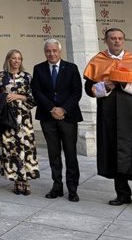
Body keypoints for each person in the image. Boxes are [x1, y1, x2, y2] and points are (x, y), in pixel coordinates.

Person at [84, 28, 132, 212]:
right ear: (106, 40)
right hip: (110, 116)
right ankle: (122, 194)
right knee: (115, 153)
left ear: (124, 40)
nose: (117, 41)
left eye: (120, 38)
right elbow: (89, 89)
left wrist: (128, 84)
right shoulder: (98, 61)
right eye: (113, 38)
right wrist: (105, 85)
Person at [31, 38, 82, 202]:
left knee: (71, 154)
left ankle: (72, 189)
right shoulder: (38, 69)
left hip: (68, 117)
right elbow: (37, 92)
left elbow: (77, 92)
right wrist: (52, 108)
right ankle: (57, 186)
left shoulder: (71, 68)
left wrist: (63, 109)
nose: (51, 54)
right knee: (54, 155)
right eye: (48, 51)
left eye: (54, 51)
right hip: (48, 117)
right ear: (45, 52)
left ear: (60, 52)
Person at [0, 49, 39, 195]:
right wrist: (3, 99)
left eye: (19, 58)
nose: (16, 61)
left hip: (23, 118)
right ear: (8, 60)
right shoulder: (1, 76)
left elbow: (33, 98)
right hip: (7, 118)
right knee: (10, 149)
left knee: (25, 148)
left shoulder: (27, 77)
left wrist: (17, 96)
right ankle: (16, 180)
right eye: (13, 58)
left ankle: (25, 180)